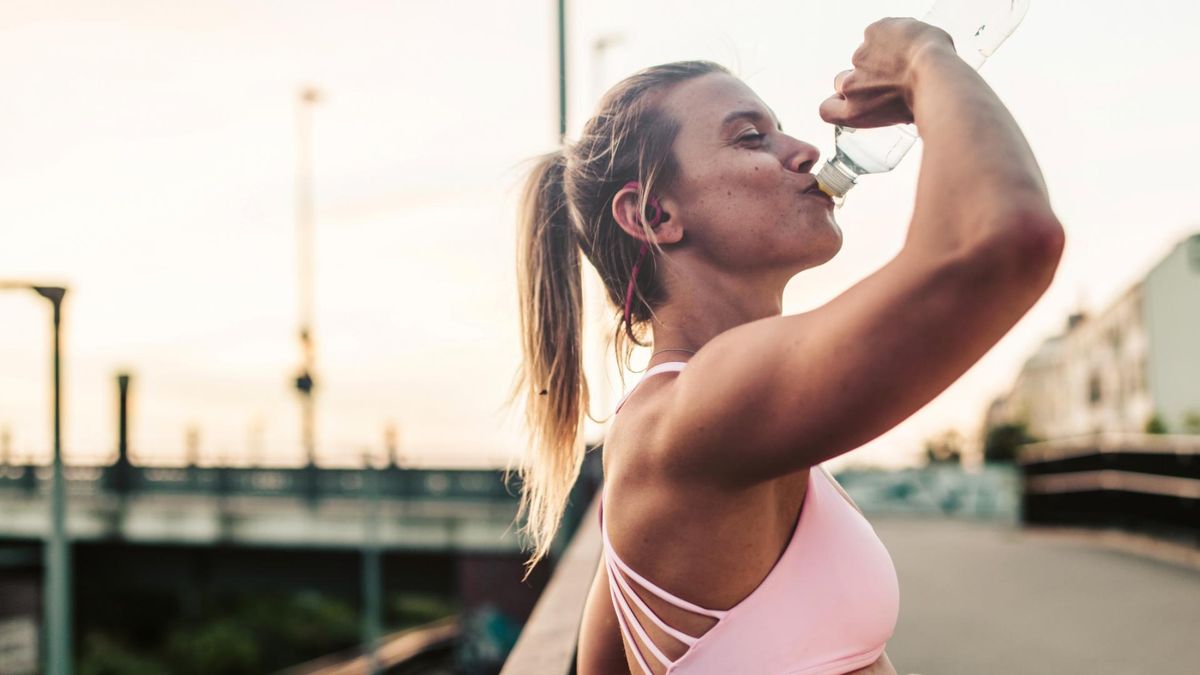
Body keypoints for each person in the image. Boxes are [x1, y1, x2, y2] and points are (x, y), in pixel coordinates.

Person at [510, 17, 1064, 675]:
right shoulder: (701, 411)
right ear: (654, 215)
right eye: (752, 138)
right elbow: (1004, 238)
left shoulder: (696, 423)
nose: (803, 150)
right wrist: (922, 58)